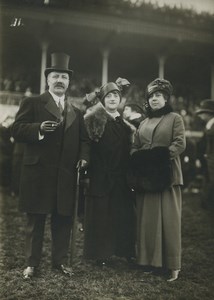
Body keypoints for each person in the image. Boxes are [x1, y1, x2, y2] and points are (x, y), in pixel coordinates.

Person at [11, 53, 90, 279]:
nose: (60, 81)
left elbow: (84, 140)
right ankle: (32, 264)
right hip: (38, 173)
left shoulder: (76, 111)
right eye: (55, 76)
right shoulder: (33, 103)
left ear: (68, 82)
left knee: (63, 219)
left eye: (64, 77)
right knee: (35, 220)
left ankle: (60, 261)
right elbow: (16, 129)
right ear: (48, 80)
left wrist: (85, 158)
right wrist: (37, 128)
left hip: (64, 175)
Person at [130, 78, 186, 281]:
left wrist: (158, 158)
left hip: (167, 175)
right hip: (146, 178)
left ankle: (173, 266)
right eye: (152, 96)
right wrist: (139, 158)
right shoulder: (143, 123)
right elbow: (135, 146)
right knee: (148, 221)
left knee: (169, 221)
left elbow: (180, 144)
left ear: (166, 99)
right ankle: (151, 263)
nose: (155, 99)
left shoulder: (175, 118)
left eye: (159, 96)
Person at [83, 78, 136, 266]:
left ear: (120, 100)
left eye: (116, 95)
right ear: (103, 99)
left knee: (120, 213)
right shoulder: (92, 120)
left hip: (120, 177)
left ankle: (122, 251)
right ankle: (100, 254)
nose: (113, 99)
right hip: (100, 175)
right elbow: (86, 145)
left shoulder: (125, 125)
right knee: (101, 215)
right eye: (109, 96)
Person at [195, 99, 214, 210]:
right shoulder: (209, 125)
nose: (201, 115)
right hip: (208, 161)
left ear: (209, 113)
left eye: (203, 112)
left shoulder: (212, 126)